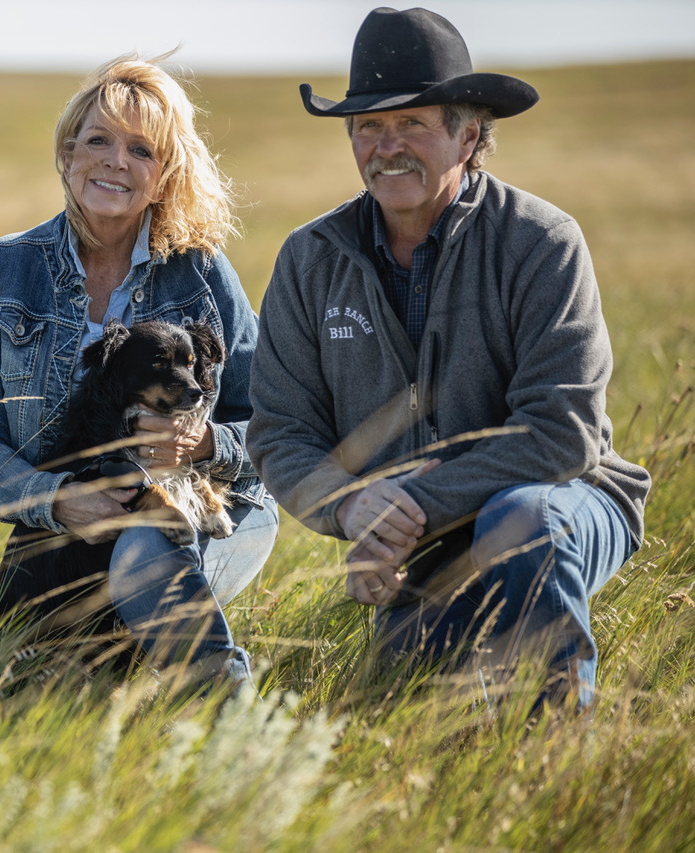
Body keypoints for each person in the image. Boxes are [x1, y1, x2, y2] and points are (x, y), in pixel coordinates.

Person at [247, 7, 650, 710]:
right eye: (368, 126)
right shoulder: (309, 260)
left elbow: (562, 433)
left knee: (521, 522)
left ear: (469, 135)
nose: (387, 146)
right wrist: (352, 506)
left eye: (413, 123)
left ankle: (561, 737)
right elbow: (281, 432)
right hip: (419, 539)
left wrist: (410, 508)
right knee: (404, 703)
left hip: (566, 496)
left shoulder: (541, 241)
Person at [0, 54, 278, 692]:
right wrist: (57, 500)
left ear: (165, 174)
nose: (115, 162)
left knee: (146, 554)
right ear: (68, 153)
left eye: (141, 150)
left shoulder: (203, 272)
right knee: (30, 672)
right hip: (68, 520)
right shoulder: (1, 270)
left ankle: (228, 723)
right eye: (98, 140)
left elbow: (276, 419)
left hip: (216, 504)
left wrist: (205, 443)